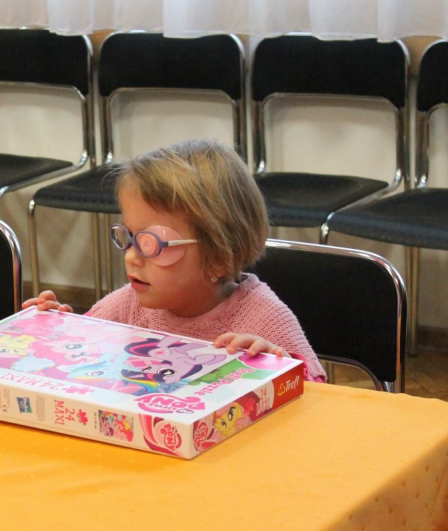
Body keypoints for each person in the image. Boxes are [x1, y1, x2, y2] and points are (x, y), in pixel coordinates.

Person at [23, 139, 326, 383]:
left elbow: (316, 403)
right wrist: (58, 332)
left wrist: (279, 369)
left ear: (218, 257)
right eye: (129, 237)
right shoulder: (129, 304)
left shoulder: (264, 318)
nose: (131, 257)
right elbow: (82, 356)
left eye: (151, 244)